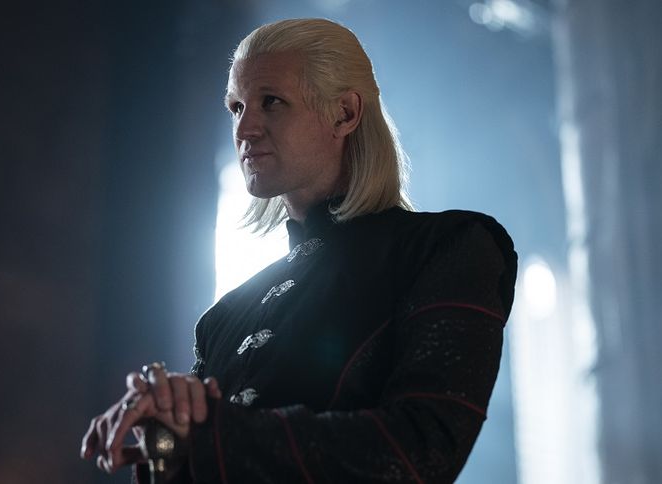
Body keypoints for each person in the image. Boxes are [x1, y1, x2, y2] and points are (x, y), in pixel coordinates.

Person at [81, 18, 517, 483]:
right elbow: (203, 455)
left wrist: (214, 434)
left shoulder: (450, 247)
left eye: (271, 101)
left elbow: (422, 451)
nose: (244, 129)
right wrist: (167, 436)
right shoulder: (223, 319)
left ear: (344, 113)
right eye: (236, 107)